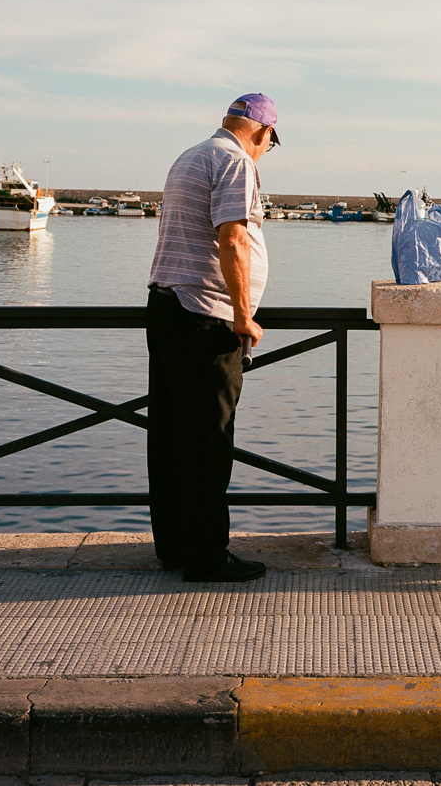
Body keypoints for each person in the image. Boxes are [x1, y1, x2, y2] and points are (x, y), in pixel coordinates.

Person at [145, 93, 279, 582]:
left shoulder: (191, 156)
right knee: (208, 439)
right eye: (270, 143)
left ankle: (175, 547)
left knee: (169, 435)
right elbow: (233, 237)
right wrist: (243, 315)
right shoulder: (236, 161)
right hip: (205, 314)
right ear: (263, 132)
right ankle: (206, 556)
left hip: (167, 305)